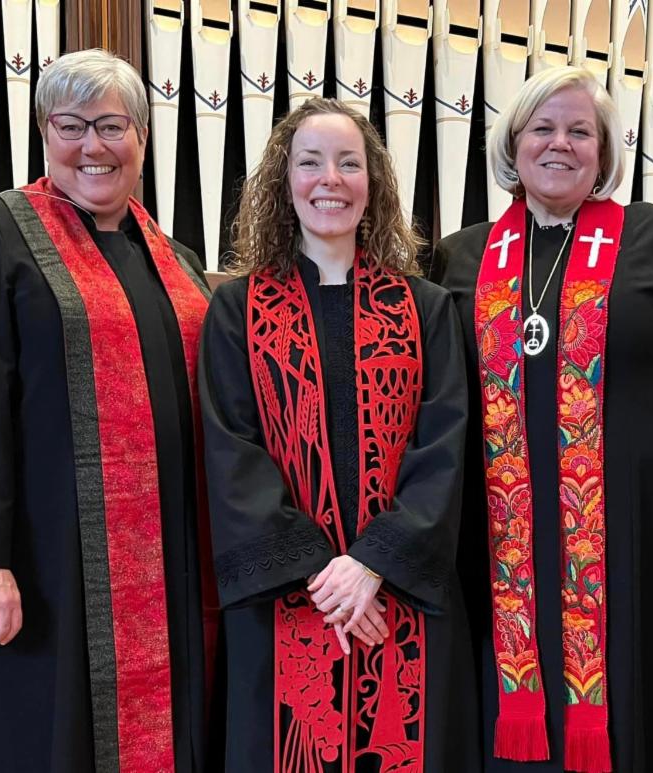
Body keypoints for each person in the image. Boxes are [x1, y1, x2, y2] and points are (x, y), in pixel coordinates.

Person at [0, 50, 218, 772]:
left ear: (142, 137)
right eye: (71, 126)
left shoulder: (177, 261)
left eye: (111, 126)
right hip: (46, 566)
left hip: (173, 569)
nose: (93, 145)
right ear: (44, 133)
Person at [430, 66, 653, 772]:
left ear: (603, 151)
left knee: (633, 695)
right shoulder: (463, 254)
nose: (560, 143)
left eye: (580, 131)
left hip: (636, 531)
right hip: (499, 535)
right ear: (513, 143)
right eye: (542, 128)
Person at [200, 97, 478, 772]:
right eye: (311, 163)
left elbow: (444, 448)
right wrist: (326, 578)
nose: (331, 180)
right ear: (284, 182)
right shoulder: (236, 310)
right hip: (287, 599)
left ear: (373, 183)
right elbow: (232, 453)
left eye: (349, 163)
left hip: (402, 594)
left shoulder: (427, 310)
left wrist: (374, 565)